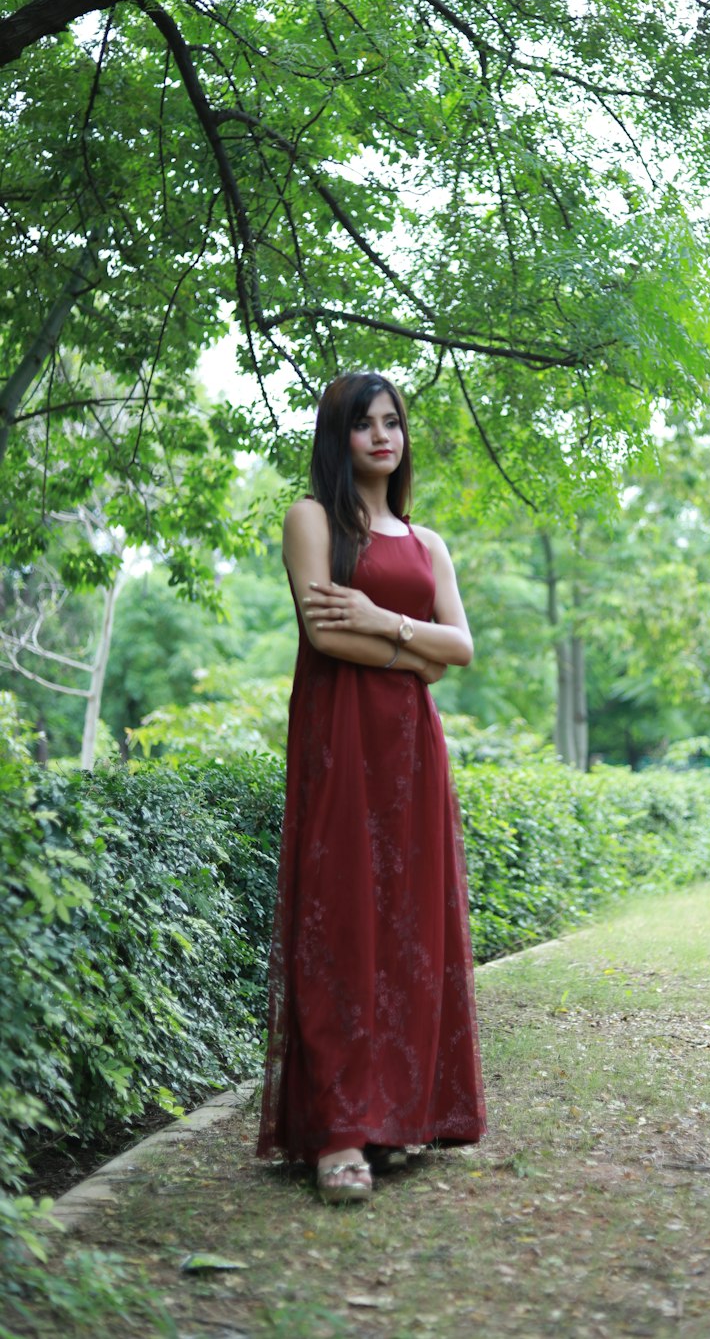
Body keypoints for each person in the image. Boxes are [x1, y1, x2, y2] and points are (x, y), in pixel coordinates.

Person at [255, 372, 487, 1204]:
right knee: (339, 925)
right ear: (337, 436)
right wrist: (413, 653)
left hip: (411, 753)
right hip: (340, 739)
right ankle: (337, 1136)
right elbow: (323, 628)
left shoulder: (428, 544)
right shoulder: (311, 519)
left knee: (408, 930)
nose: (383, 436)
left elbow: (460, 650)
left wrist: (387, 626)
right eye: (364, 424)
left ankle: (396, 1115)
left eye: (393, 423)